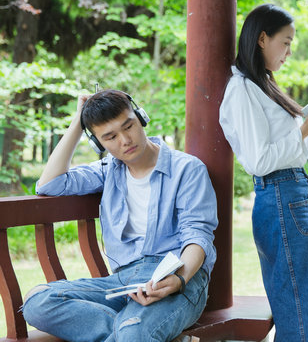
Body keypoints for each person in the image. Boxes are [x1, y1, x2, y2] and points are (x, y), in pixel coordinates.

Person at [22, 89, 218, 342]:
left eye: (129, 126)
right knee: (38, 301)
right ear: (98, 143)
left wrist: (179, 278)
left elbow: (198, 235)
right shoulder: (107, 171)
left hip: (178, 277)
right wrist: (76, 124)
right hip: (124, 281)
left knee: (133, 331)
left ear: (140, 118)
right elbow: (49, 185)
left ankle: (135, 331)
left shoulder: (187, 169)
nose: (125, 140)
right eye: (110, 137)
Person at [219, 4, 308, 342]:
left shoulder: (263, 86)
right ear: (262, 39)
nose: (288, 53)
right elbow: (260, 161)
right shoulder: (242, 90)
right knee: (304, 314)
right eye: (285, 43)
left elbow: (289, 151)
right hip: (279, 195)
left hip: (290, 194)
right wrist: (305, 129)